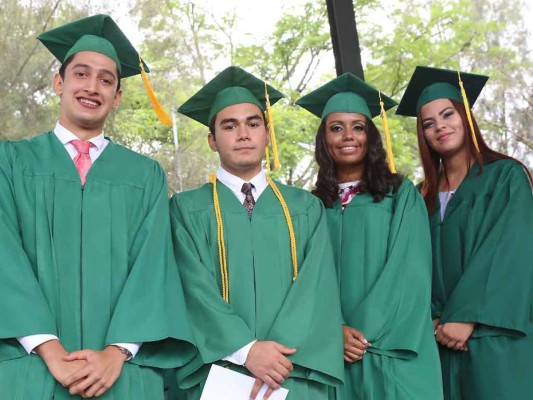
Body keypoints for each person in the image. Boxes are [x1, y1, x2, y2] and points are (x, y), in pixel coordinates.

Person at [0, 14, 195, 399]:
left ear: (117, 96)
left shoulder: (145, 176)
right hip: (31, 369)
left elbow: (152, 267)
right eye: (81, 74)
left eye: (106, 80)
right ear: (59, 83)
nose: (93, 87)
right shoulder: (12, 162)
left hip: (120, 375)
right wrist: (49, 349)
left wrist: (117, 352)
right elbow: (4, 255)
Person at [168, 66, 344, 399]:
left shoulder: (305, 208)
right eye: (229, 126)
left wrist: (274, 358)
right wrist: (246, 350)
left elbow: (316, 289)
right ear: (212, 140)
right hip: (219, 376)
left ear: (266, 132)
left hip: (293, 372)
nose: (243, 134)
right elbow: (193, 289)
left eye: (253, 123)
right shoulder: (186, 210)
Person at [296, 72, 443, 399]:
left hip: (390, 350)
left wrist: (358, 333)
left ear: (371, 136)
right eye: (336, 128)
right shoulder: (311, 205)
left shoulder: (399, 194)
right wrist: (333, 330)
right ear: (324, 140)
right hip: (332, 354)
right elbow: (304, 282)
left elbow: (409, 271)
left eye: (358, 127)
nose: (348, 136)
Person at [396, 65, 533, 399]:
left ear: (466, 117)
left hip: (494, 336)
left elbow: (510, 249)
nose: (440, 127)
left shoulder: (506, 177)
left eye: (447, 115)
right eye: (428, 123)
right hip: (438, 339)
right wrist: (426, 316)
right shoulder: (419, 196)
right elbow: (411, 264)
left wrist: (465, 317)